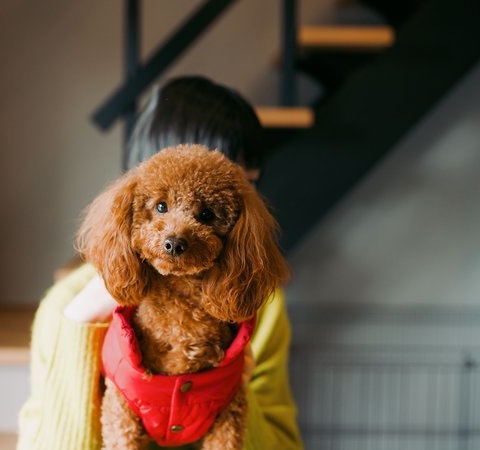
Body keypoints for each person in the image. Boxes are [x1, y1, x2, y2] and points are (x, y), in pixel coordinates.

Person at [16, 76, 303, 450]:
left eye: (248, 184)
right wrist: (80, 322)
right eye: (167, 204)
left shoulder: (260, 303)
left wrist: (230, 390)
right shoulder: (66, 304)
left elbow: (283, 443)